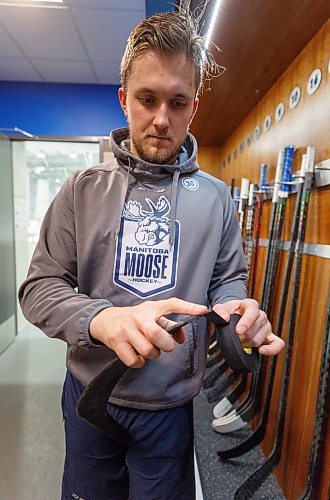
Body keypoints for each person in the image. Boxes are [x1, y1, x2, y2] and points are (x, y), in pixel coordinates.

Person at [19, 9, 284, 500]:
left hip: (170, 408)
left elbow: (228, 282)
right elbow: (39, 288)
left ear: (194, 108)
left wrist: (239, 314)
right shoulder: (81, 190)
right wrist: (101, 320)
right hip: (91, 396)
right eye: (147, 99)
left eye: (177, 102)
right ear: (124, 100)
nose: (162, 119)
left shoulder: (216, 199)